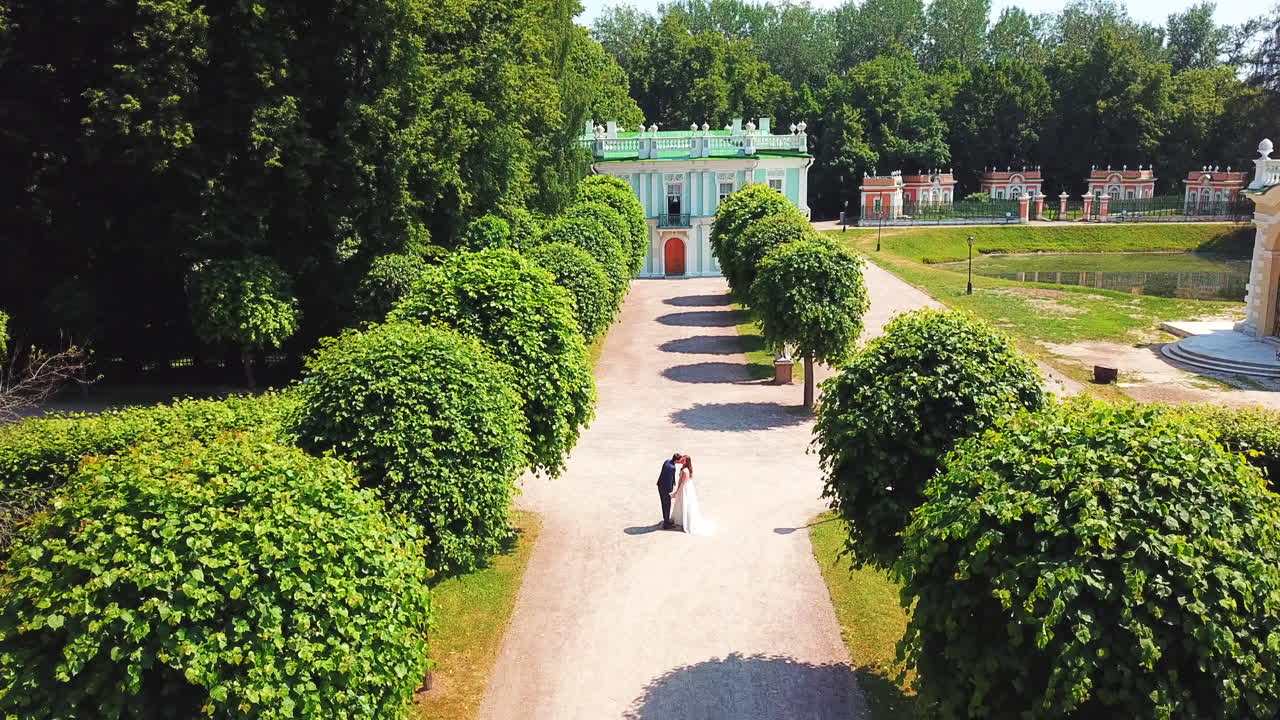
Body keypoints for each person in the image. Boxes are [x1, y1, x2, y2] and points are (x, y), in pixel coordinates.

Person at [670, 455, 712, 536]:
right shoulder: (685, 468)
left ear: (687, 461)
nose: (682, 461)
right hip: (685, 489)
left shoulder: (685, 471)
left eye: (684, 460)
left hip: (684, 490)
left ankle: (685, 521)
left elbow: (682, 483)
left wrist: (676, 493)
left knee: (685, 504)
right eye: (682, 459)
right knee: (682, 504)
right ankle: (681, 520)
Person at [657, 453, 680, 530]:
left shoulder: (667, 461)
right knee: (667, 505)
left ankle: (666, 519)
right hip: (665, 489)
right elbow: (669, 481)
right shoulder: (672, 467)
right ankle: (666, 523)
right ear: (676, 460)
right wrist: (670, 492)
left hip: (660, 486)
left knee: (664, 504)